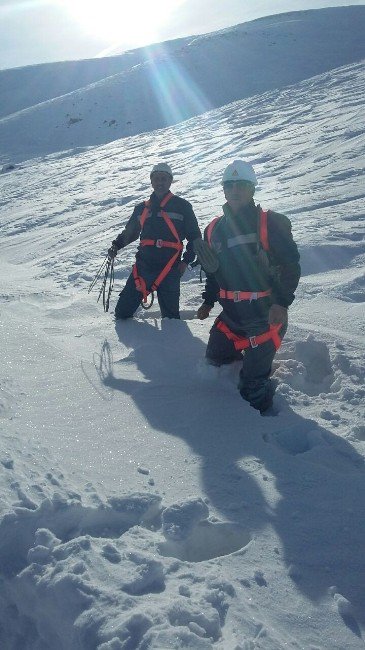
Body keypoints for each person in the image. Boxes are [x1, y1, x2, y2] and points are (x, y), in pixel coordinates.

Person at [196, 159, 301, 415]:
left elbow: (290, 265)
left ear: (252, 188)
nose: (234, 190)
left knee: (252, 393)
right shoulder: (213, 229)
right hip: (231, 318)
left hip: (263, 317)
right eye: (229, 184)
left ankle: (263, 422)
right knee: (216, 360)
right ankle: (255, 359)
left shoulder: (270, 223)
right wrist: (209, 301)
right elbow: (214, 273)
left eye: (241, 184)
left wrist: (280, 303)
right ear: (223, 189)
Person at [108, 162, 201, 319]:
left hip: (170, 268)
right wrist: (116, 245)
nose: (160, 182)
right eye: (156, 179)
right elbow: (130, 232)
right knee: (122, 313)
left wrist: (186, 261)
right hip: (144, 267)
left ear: (170, 181)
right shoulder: (141, 208)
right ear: (151, 181)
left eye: (163, 179)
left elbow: (195, 237)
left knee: (171, 319)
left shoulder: (183, 206)